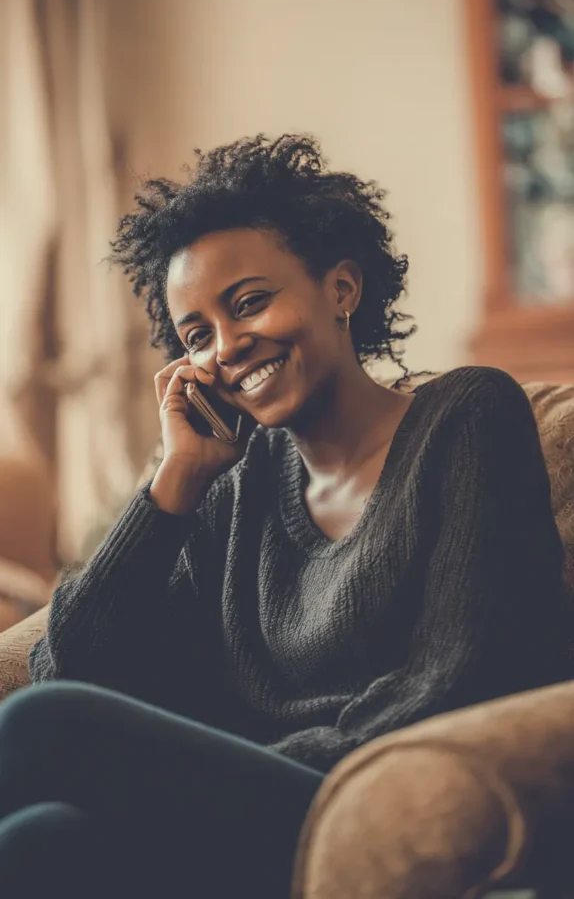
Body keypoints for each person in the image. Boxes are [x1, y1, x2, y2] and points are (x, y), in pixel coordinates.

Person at [0, 133, 568, 897]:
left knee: (51, 725)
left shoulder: (466, 416)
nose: (228, 345)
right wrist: (173, 482)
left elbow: (456, 681)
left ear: (341, 288)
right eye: (197, 335)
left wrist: (244, 760)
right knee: (40, 841)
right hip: (237, 817)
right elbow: (67, 664)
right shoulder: (231, 484)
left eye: (250, 303)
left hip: (371, 802)